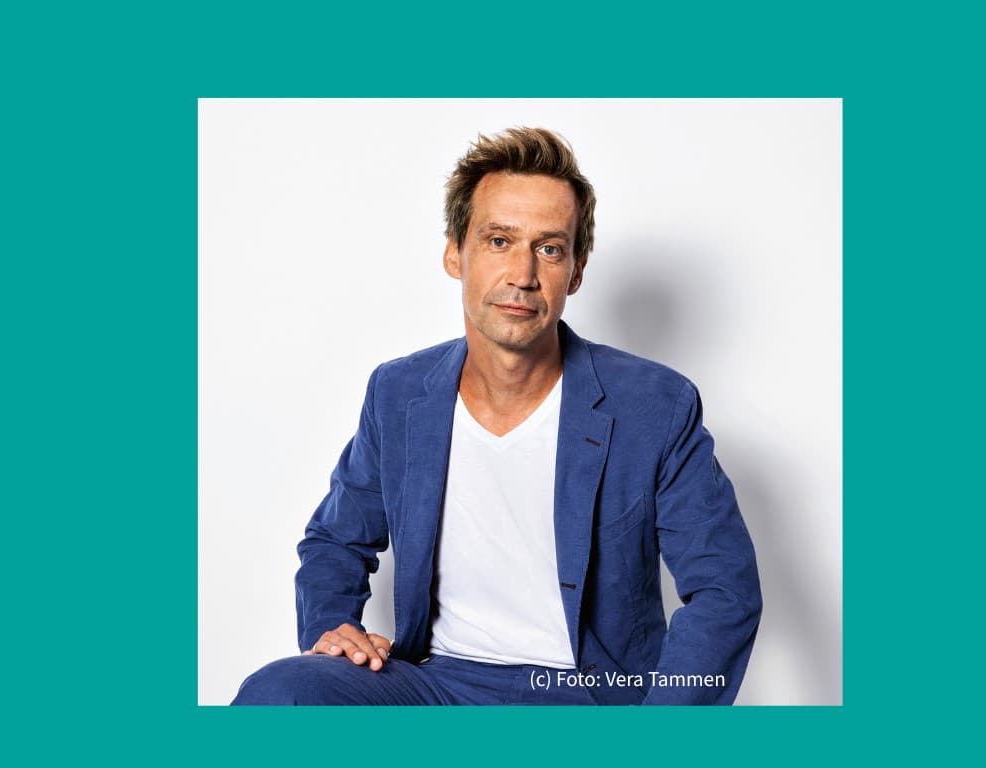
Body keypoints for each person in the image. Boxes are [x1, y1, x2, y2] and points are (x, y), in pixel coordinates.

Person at [231, 127, 762, 705]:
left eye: (549, 248)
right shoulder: (398, 393)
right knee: (280, 691)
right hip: (435, 686)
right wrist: (332, 627)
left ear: (576, 271)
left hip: (589, 697)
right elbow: (336, 540)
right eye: (499, 240)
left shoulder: (655, 405)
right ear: (454, 254)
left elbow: (723, 591)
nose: (522, 274)